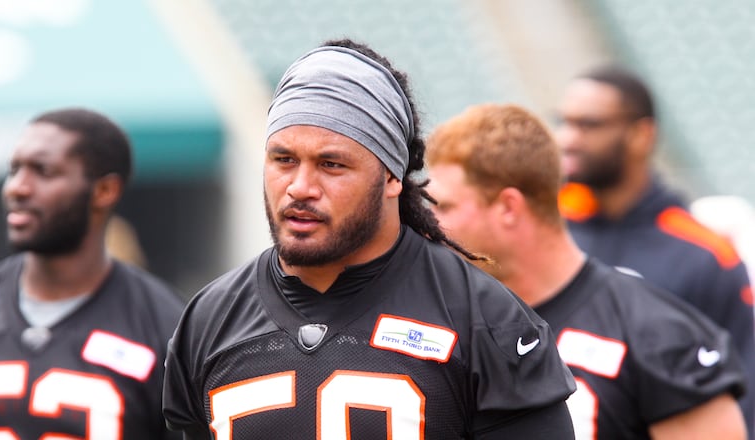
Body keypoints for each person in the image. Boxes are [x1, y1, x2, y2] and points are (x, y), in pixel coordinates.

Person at [162, 39, 576, 439]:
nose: (300, 186)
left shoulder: (483, 319)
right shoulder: (209, 319)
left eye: (332, 164)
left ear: (393, 175)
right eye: (283, 159)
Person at [425, 102, 748, 439]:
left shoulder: (658, 336)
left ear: (509, 207)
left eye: (444, 206)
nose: (429, 225)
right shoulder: (446, 322)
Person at [554, 65, 755, 432]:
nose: (567, 139)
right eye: (564, 122)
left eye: (589, 125)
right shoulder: (550, 227)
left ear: (641, 135)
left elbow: (744, 396)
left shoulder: (705, 256)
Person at [0, 108, 184, 439]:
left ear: (104, 191)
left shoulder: (169, 327)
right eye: (14, 170)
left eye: (43, 171)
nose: (17, 188)